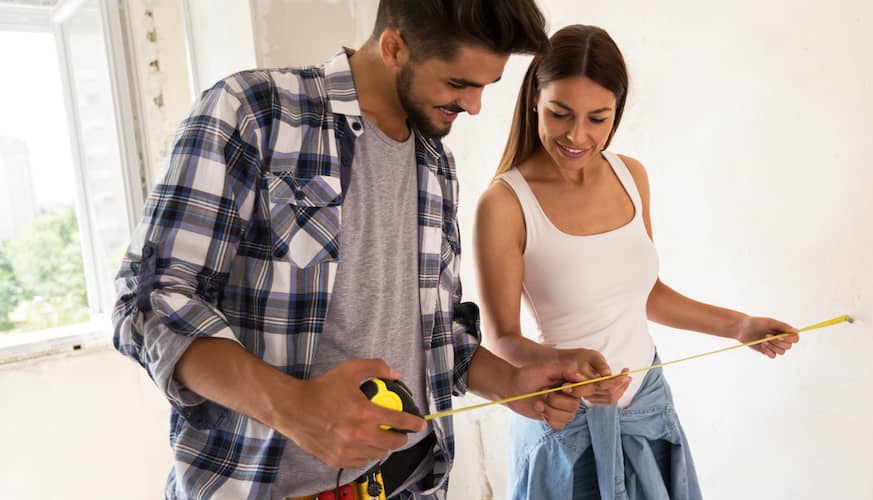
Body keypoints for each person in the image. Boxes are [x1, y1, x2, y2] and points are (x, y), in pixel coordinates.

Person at [111, 2, 594, 499]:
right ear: (394, 46)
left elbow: (436, 334)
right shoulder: (255, 112)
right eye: (458, 85)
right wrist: (294, 406)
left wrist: (514, 382)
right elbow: (148, 302)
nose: (474, 107)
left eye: (485, 87)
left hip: (411, 484)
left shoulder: (437, 164)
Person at [474, 25, 802, 499]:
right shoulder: (505, 203)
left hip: (647, 408)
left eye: (598, 119)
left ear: (618, 112)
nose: (576, 135)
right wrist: (569, 368)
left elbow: (645, 293)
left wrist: (740, 326)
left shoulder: (631, 176)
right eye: (560, 113)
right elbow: (502, 339)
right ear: (533, 101)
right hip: (565, 420)